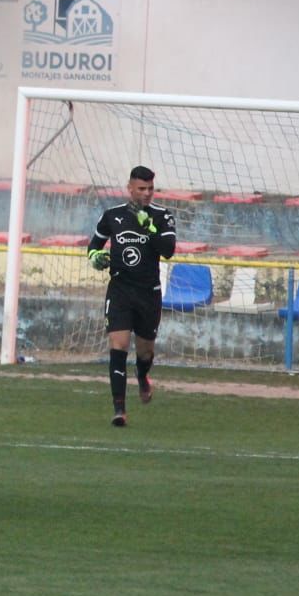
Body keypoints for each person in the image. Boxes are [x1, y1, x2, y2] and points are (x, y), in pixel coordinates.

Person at [87, 165, 177, 427]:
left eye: (150, 188)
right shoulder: (113, 215)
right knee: (119, 345)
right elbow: (94, 245)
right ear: (130, 188)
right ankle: (119, 410)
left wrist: (149, 227)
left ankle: (142, 374)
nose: (147, 193)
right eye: (141, 188)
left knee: (145, 350)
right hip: (120, 290)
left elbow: (168, 250)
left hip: (148, 293)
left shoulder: (162, 216)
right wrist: (95, 257)